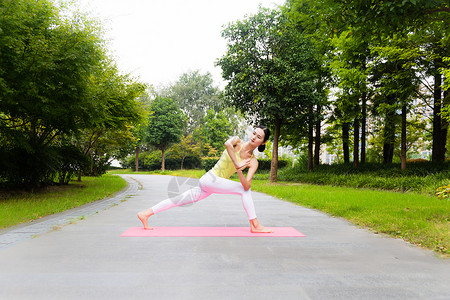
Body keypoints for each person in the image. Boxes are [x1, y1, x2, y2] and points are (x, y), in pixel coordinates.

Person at [137, 125, 273, 233]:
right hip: (210, 179)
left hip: (212, 184)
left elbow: (246, 185)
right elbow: (227, 144)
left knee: (179, 200)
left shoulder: (253, 162)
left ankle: (145, 213)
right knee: (244, 192)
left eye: (259, 136)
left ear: (263, 142)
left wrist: (239, 172)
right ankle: (255, 225)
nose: (254, 137)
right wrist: (238, 165)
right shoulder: (237, 141)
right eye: (254, 133)